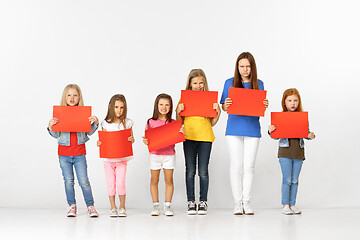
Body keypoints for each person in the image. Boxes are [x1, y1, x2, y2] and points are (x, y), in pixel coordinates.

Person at [220, 52, 269, 215]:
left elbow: (259, 107)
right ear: (237, 67)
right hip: (233, 128)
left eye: (248, 66)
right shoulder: (229, 83)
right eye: (242, 66)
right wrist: (225, 105)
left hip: (252, 129)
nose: (245, 69)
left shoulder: (259, 84)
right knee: (236, 166)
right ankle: (237, 202)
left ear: (252, 67)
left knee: (249, 166)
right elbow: (224, 107)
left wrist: (264, 104)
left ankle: (246, 202)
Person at [47, 84, 99, 217]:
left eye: (75, 95)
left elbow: (89, 132)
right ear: (65, 97)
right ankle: (72, 206)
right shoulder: (60, 114)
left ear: (79, 97)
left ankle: (90, 206)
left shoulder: (82, 113)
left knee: (84, 181)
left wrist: (95, 123)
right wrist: (50, 126)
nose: (72, 97)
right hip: (64, 154)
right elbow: (56, 135)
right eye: (69, 95)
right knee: (68, 181)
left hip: (79, 153)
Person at [176, 69, 221, 215]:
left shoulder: (208, 98)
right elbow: (179, 122)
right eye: (195, 83)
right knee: (190, 171)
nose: (198, 85)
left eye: (201, 83)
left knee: (203, 171)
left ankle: (203, 201)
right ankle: (191, 201)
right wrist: (178, 111)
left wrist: (218, 112)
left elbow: (212, 123)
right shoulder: (184, 98)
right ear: (190, 84)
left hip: (205, 138)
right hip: (189, 137)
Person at [268, 88, 315, 215]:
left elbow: (305, 133)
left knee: (295, 179)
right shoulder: (280, 117)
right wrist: (270, 130)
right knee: (287, 179)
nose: (292, 103)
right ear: (285, 102)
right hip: (285, 152)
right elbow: (276, 136)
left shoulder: (302, 117)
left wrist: (310, 135)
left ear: (299, 102)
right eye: (289, 100)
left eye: (295, 100)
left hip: (298, 152)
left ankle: (292, 204)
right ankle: (285, 205)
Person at [143, 94, 184, 216]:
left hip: (169, 155)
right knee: (154, 180)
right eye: (161, 104)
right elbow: (147, 139)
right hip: (155, 155)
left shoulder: (173, 122)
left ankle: (167, 205)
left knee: (169, 180)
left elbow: (178, 137)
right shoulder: (150, 122)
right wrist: (146, 141)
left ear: (171, 107)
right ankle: (156, 205)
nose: (164, 107)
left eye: (167, 104)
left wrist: (182, 132)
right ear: (157, 106)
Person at [97, 94, 134, 217]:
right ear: (110, 107)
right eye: (116, 107)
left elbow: (131, 139)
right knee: (111, 184)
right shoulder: (105, 123)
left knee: (120, 184)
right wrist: (99, 143)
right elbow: (103, 140)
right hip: (108, 160)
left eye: (122, 107)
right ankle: (113, 207)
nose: (119, 110)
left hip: (122, 159)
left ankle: (122, 207)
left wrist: (131, 139)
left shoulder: (127, 123)